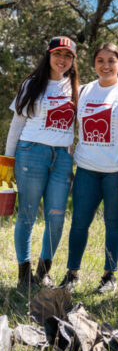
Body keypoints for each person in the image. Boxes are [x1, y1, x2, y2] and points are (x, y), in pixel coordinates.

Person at [60, 42, 118, 294]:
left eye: (111, 61)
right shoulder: (82, 91)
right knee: (79, 222)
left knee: (113, 222)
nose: (105, 66)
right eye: (100, 60)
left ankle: (109, 276)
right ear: (94, 64)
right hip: (86, 168)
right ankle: (72, 274)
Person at [5, 36, 79, 289]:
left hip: (62, 159)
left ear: (73, 61)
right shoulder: (31, 84)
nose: (62, 59)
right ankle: (24, 274)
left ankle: (43, 271)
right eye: (58, 53)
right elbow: (16, 126)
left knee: (56, 217)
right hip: (31, 153)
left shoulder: (77, 88)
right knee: (26, 215)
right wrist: (6, 165)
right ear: (48, 55)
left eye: (68, 55)